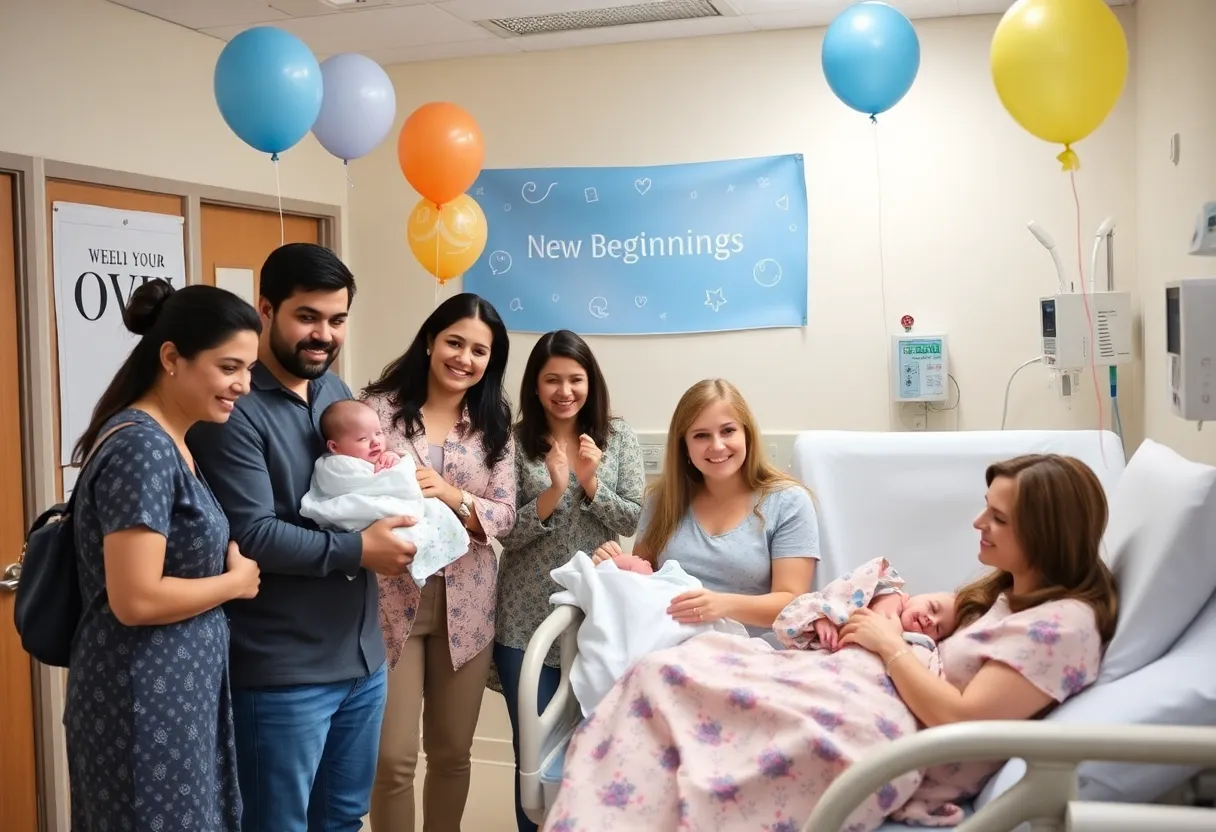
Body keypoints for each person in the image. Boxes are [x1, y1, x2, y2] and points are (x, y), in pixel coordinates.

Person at [542, 453, 1118, 831]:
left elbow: (959, 717)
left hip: (881, 717)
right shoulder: (1011, 594)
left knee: (669, 677)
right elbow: (917, 612)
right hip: (860, 676)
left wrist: (886, 643)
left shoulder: (1060, 628)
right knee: (674, 666)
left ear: (1043, 533)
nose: (977, 524)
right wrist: (890, 608)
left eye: (997, 518)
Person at [187, 243, 416, 832]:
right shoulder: (234, 408)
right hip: (282, 672)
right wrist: (360, 550)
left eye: (337, 320)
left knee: (342, 820)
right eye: (307, 317)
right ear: (266, 309)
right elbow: (253, 534)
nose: (324, 334)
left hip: (361, 662)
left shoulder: (337, 395)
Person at [65, 280, 262, 832]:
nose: (243, 385)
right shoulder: (142, 447)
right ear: (171, 358)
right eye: (229, 368)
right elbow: (136, 598)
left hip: (175, 691)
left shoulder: (171, 440)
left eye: (248, 369)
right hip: (143, 698)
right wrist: (236, 583)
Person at [362, 292, 518, 832]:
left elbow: (505, 516)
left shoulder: (494, 423)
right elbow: (349, 485)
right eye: (455, 342)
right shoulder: (377, 409)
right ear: (430, 340)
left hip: (467, 606)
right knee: (393, 760)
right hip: (388, 602)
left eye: (480, 350)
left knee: (452, 753)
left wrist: (451, 495)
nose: (464, 358)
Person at [494, 329, 645, 832]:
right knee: (532, 755)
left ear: (591, 382)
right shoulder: (514, 442)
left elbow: (631, 520)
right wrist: (556, 489)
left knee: (600, 746)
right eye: (551, 379)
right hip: (524, 615)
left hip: (600, 614)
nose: (564, 391)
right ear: (534, 386)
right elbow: (505, 532)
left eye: (575, 379)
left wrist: (589, 482)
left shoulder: (616, 436)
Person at [592, 378, 819, 636]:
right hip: (671, 647)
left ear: (747, 434)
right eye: (701, 435)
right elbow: (645, 583)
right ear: (684, 446)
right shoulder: (660, 502)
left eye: (728, 431)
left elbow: (792, 602)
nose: (717, 445)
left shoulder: (788, 502)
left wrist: (723, 604)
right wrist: (617, 566)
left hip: (756, 656)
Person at [299, 399, 471, 588]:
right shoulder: (335, 467)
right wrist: (387, 474)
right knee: (411, 527)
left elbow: (403, 472)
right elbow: (366, 485)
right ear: (334, 447)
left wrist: (394, 459)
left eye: (379, 433)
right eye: (362, 439)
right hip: (366, 520)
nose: (375, 442)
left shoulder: (381, 455)